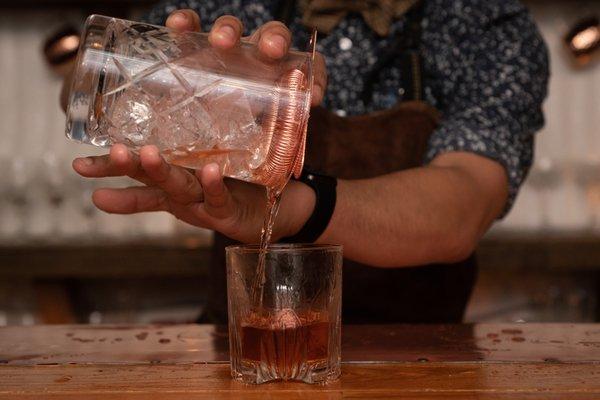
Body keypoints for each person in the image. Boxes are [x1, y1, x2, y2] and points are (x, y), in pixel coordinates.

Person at [64, 0, 549, 323]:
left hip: (421, 361)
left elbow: (462, 208)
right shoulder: (237, 5)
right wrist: (171, 82)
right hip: (245, 352)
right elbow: (86, 81)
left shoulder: (485, 24)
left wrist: (293, 208)